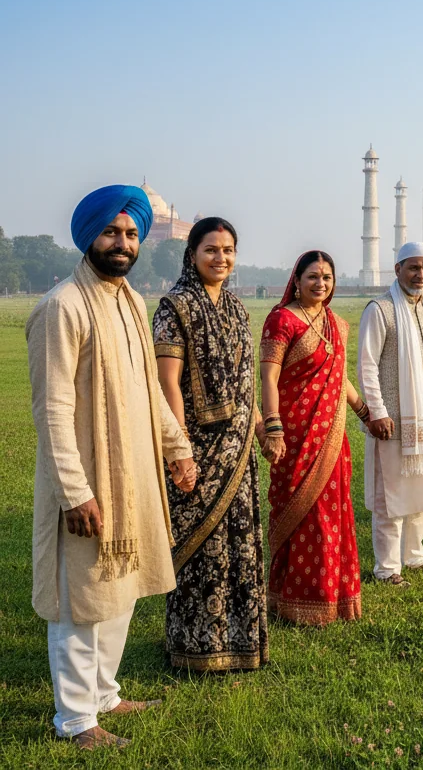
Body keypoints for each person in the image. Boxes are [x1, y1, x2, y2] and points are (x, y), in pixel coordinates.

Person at [26, 186, 196, 750]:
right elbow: (51, 409)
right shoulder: (62, 307)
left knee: (119, 589)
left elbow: (147, 389)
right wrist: (75, 492)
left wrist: (177, 449)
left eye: (130, 234)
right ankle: (75, 720)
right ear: (89, 237)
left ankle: (104, 694)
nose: (122, 243)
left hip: (131, 472)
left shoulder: (127, 300)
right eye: (111, 232)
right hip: (89, 477)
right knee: (82, 598)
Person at [152, 217, 269, 671]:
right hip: (196, 450)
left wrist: (260, 427)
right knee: (200, 549)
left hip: (237, 453)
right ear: (192, 255)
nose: (221, 258)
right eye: (211, 250)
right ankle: (193, 649)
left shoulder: (238, 309)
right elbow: (168, 383)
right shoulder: (174, 307)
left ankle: (238, 644)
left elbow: (244, 385)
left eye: (228, 250)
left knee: (239, 544)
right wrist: (180, 450)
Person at [260, 251, 369, 624]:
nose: (320, 284)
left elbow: (338, 379)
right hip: (293, 431)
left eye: (326, 277)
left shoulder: (336, 322)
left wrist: (365, 413)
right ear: (297, 279)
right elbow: (269, 378)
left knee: (331, 513)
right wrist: (272, 425)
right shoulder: (282, 320)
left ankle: (330, 596)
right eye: (312, 277)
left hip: (331, 435)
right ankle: (289, 598)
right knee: (298, 510)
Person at [357, 242, 423, 586]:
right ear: (397, 269)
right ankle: (387, 568)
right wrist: (377, 412)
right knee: (391, 498)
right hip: (394, 422)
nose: (421, 275)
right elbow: (367, 366)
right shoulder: (380, 309)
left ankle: (414, 557)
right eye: (414, 268)